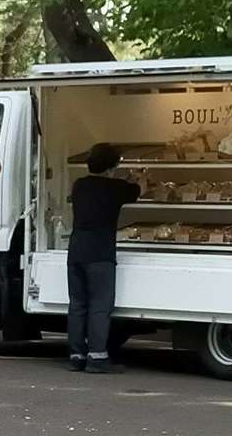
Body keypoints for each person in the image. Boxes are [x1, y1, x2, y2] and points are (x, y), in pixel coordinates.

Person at [67, 143, 146, 373]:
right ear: (112, 166)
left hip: (76, 252)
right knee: (100, 306)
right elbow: (139, 190)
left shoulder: (79, 185)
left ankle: (76, 355)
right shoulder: (115, 188)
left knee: (78, 305)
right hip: (100, 254)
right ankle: (97, 357)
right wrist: (139, 177)